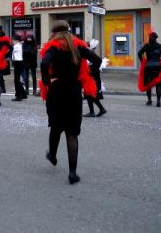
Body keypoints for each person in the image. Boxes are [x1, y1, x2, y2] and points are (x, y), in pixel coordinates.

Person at [40, 20, 100, 184]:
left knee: (56, 127)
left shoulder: (53, 46)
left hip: (57, 89)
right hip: (74, 90)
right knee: (72, 133)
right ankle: (72, 173)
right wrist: (89, 75)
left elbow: (44, 63)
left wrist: (46, 82)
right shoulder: (78, 46)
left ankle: (52, 155)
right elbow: (97, 60)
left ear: (53, 32)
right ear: (68, 30)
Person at [137, 32, 161, 106]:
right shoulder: (160, 46)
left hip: (148, 67)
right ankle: (158, 102)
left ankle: (149, 100)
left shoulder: (147, 46)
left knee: (148, 84)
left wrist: (143, 62)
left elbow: (139, 53)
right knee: (158, 84)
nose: (149, 38)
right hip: (158, 66)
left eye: (150, 37)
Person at [83, 39, 107, 117]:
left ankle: (101, 109)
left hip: (94, 79)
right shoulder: (89, 55)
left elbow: (99, 61)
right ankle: (92, 112)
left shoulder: (92, 55)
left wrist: (92, 70)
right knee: (89, 95)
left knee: (92, 95)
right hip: (89, 78)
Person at [11, 35, 28, 101]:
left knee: (16, 80)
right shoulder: (19, 45)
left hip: (18, 63)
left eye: (13, 40)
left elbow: (10, 49)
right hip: (19, 63)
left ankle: (18, 96)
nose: (12, 41)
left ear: (16, 40)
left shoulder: (16, 46)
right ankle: (23, 94)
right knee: (17, 80)